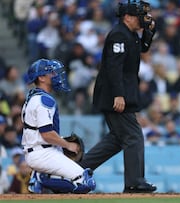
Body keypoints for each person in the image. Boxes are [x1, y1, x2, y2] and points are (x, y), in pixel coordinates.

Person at [78, 0, 157, 193]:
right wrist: (119, 95)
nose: (143, 18)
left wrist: (149, 31)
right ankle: (134, 183)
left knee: (116, 140)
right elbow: (114, 68)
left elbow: (143, 49)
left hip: (123, 93)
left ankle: (75, 171)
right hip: (115, 95)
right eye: (139, 16)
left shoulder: (129, 34)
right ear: (128, 17)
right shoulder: (118, 35)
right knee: (133, 135)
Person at [21, 59, 96, 194]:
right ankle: (40, 178)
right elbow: (47, 134)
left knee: (68, 183)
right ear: (41, 78)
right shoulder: (44, 100)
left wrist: (60, 143)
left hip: (39, 151)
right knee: (85, 182)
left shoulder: (34, 97)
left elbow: (39, 132)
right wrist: (67, 145)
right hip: (42, 154)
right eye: (51, 73)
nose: (56, 75)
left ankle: (44, 177)